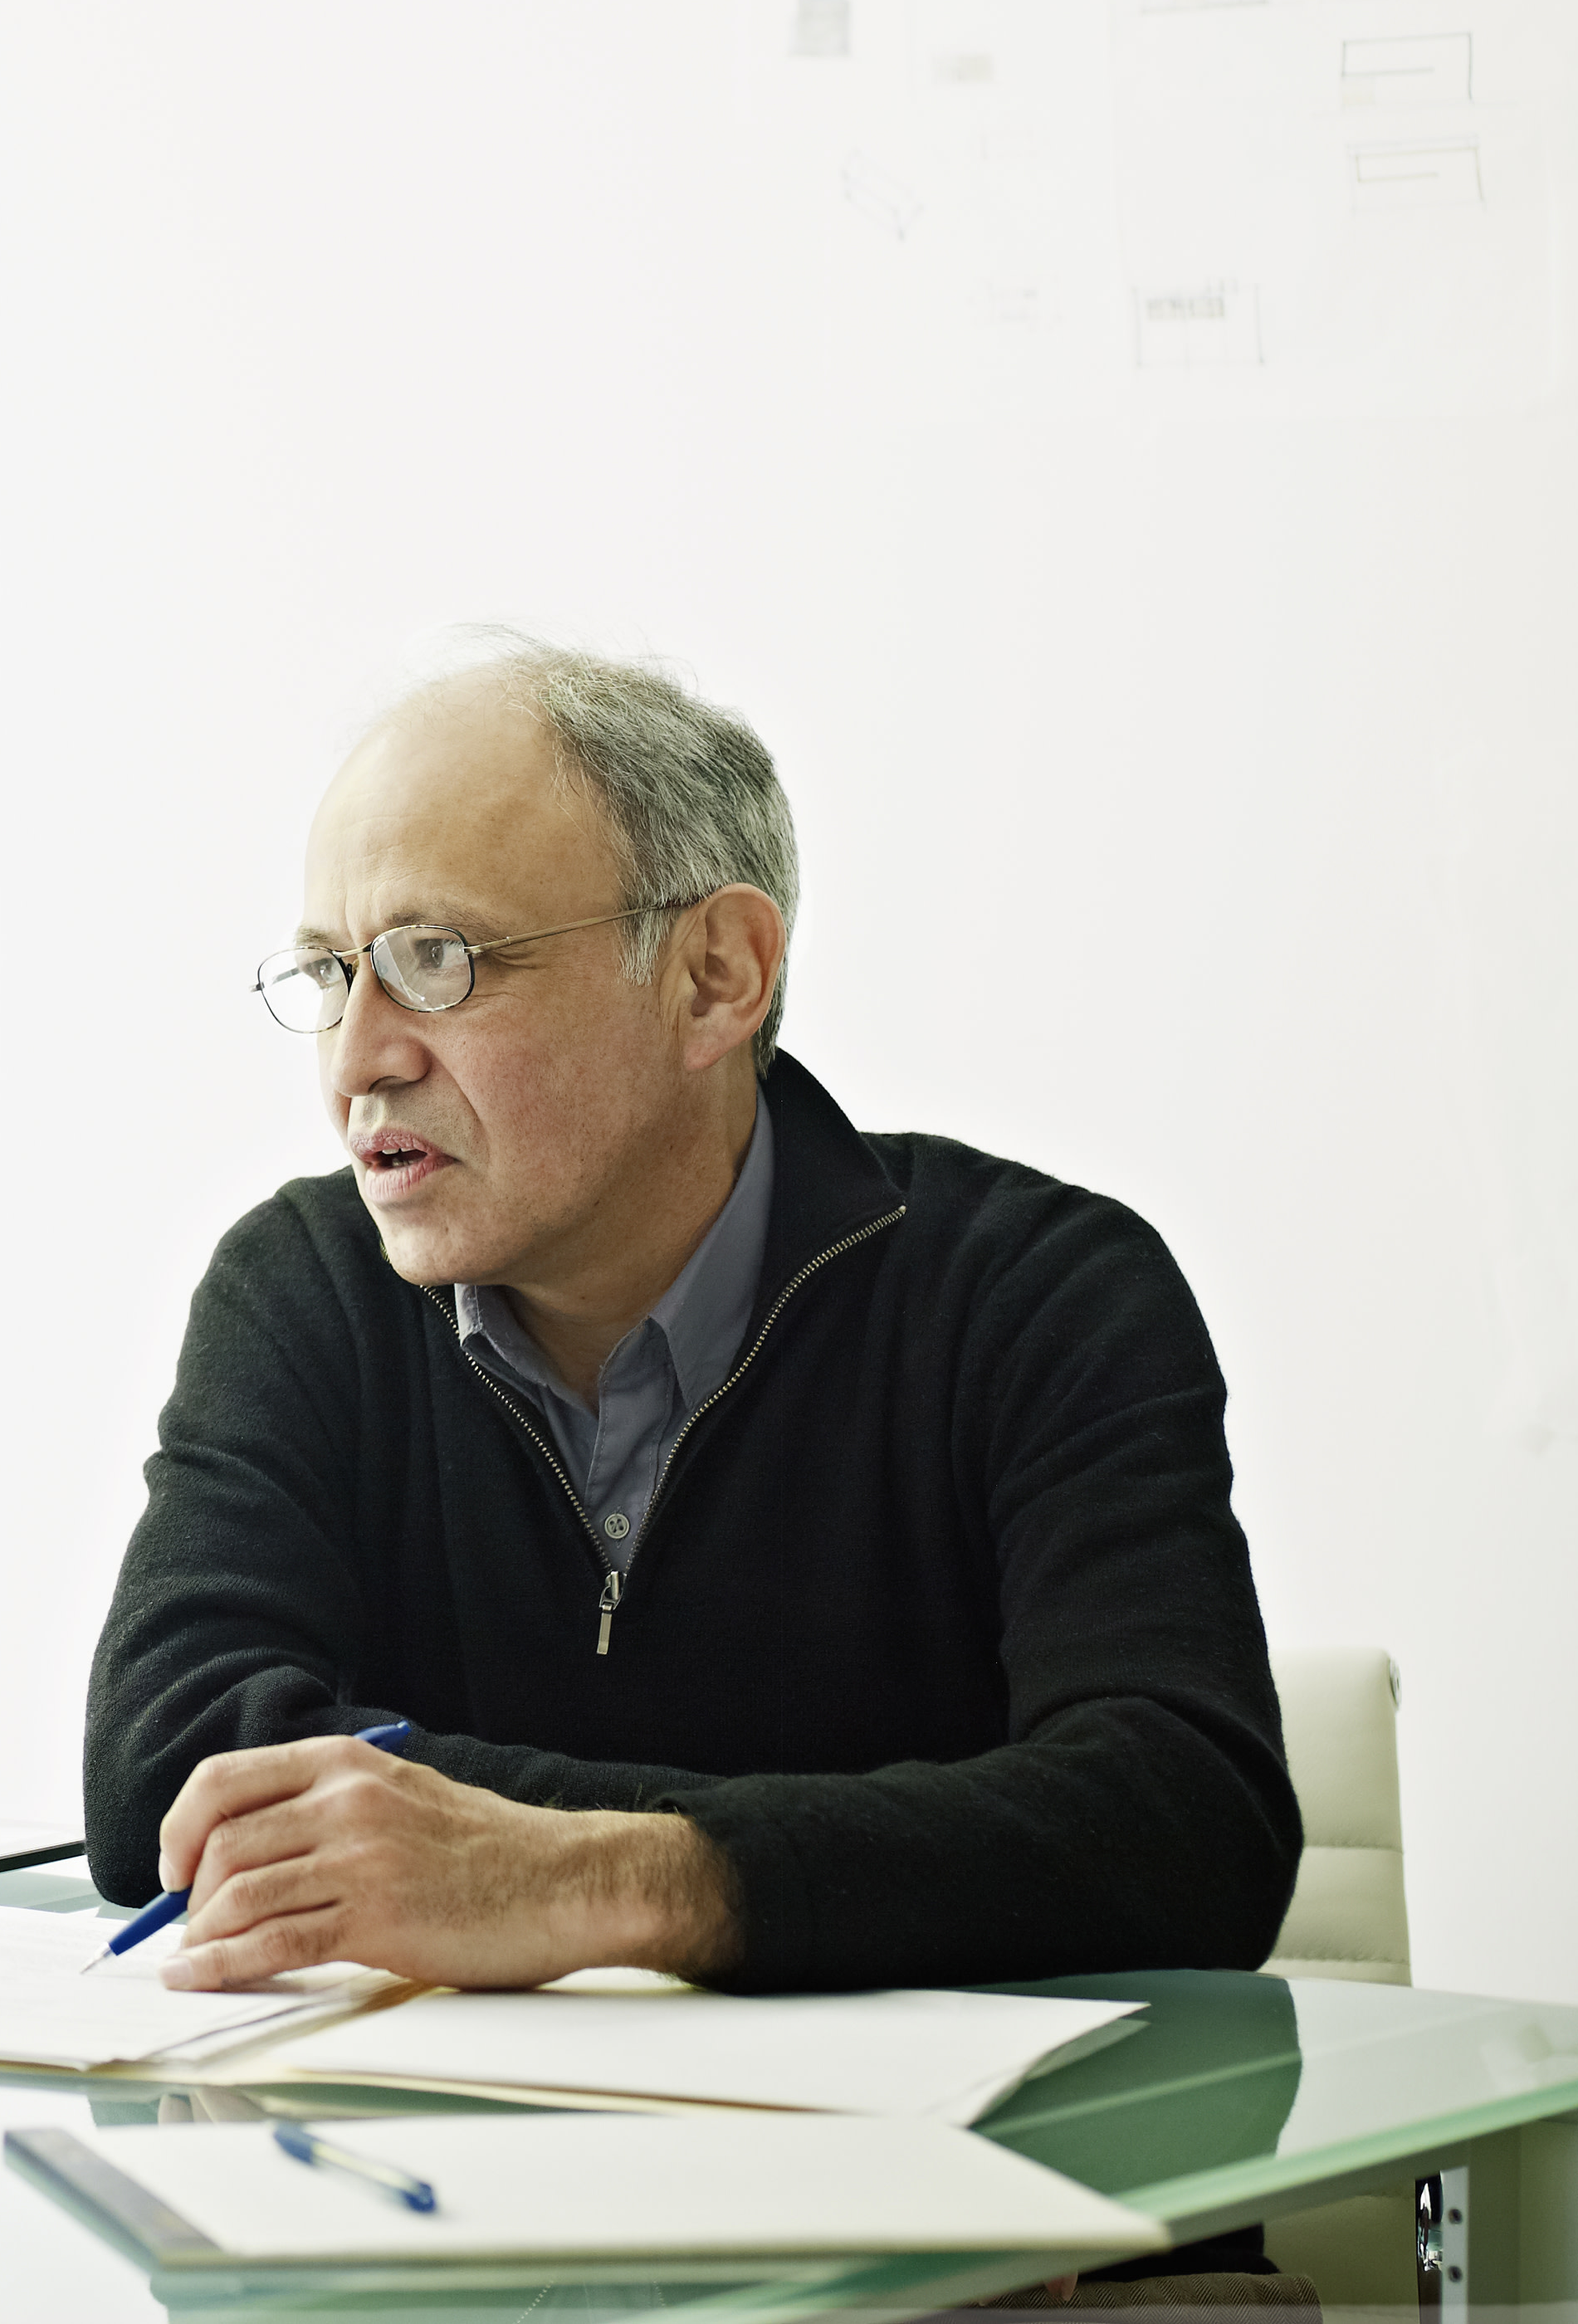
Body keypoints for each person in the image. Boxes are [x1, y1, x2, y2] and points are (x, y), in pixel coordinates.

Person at [87, 642, 1298, 1996]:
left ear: (716, 974)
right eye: (330, 974)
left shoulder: (1039, 1294)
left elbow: (1187, 1822)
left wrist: (602, 1879)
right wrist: (854, 1852)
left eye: (435, 960)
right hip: (445, 2172)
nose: (362, 1058)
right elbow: (170, 1766)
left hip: (929, 2183)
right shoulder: (308, 1286)